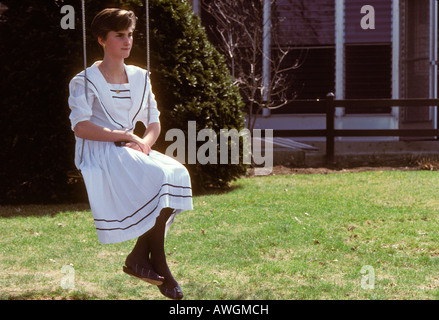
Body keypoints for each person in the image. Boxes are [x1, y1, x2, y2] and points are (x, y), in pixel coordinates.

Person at [68, 8, 193, 300]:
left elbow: (153, 122)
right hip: (99, 151)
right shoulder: (83, 81)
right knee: (159, 176)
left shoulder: (140, 77)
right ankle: (158, 264)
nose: (127, 41)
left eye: (131, 35)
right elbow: (81, 127)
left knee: (176, 172)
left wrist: (145, 142)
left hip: (132, 148)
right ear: (102, 39)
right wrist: (126, 136)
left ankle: (139, 256)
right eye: (119, 35)